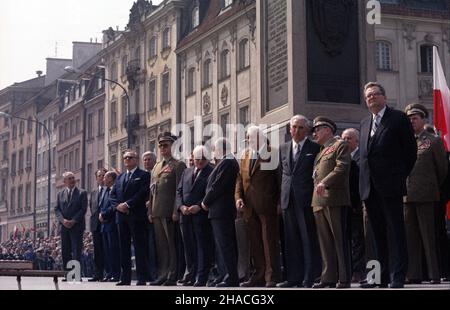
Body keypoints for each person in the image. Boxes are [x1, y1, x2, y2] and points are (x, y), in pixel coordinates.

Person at [359, 82, 417, 288]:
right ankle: (379, 276)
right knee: (376, 235)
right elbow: (364, 158)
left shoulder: (398, 118)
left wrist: (399, 176)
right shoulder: (365, 123)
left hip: (390, 185)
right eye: (368, 96)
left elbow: (410, 152)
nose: (371, 98)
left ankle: (398, 275)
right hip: (370, 188)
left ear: (384, 97)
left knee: (396, 232)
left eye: (375, 94)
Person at [403, 103, 448, 284]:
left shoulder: (434, 141)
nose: (412, 121)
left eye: (415, 118)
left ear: (423, 119)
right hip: (407, 195)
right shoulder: (405, 141)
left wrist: (430, 185)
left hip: (426, 194)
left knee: (429, 236)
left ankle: (433, 274)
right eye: (409, 118)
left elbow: (442, 169)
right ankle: (413, 274)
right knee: (410, 237)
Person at [277, 115, 321, 288]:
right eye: (294, 127)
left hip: (306, 199)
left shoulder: (315, 148)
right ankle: (293, 277)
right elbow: (281, 174)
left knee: (308, 238)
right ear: (289, 129)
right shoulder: (283, 148)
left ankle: (310, 277)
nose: (296, 130)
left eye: (300, 127)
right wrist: (280, 201)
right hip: (288, 199)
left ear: (307, 130)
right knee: (291, 239)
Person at [235, 126, 281, 287]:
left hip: (267, 205)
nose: (247, 141)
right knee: (255, 242)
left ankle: (271, 276)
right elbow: (240, 180)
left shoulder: (272, 152)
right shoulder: (245, 155)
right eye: (247, 138)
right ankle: (259, 275)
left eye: (250, 138)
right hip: (249, 207)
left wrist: (280, 202)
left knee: (269, 241)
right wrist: (238, 198)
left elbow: (279, 179)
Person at [311, 117, 352, 288]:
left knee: (339, 239)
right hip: (319, 201)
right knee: (325, 242)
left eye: (318, 129)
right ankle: (328, 277)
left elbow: (342, 167)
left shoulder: (340, 145)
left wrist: (325, 182)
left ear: (328, 130)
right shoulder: (321, 151)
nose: (315, 133)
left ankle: (343, 277)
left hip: (335, 199)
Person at [202, 138, 240, 287]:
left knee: (226, 245)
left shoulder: (228, 162)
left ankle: (231, 276)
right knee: (220, 246)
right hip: (218, 210)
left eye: (215, 149)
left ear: (222, 149)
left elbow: (217, 186)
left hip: (222, 210)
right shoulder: (224, 162)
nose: (213, 152)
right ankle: (225, 274)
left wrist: (205, 201)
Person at [150, 132, 186, 286]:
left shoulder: (178, 165)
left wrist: (175, 210)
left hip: (169, 212)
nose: (162, 148)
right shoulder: (157, 166)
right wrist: (149, 211)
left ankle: (172, 274)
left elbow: (180, 190)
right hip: (157, 211)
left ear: (173, 146)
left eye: (166, 145)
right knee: (161, 245)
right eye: (160, 146)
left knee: (171, 244)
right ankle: (163, 273)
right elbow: (152, 190)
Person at [109, 149, 150, 286]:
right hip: (121, 217)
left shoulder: (143, 175)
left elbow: (142, 193)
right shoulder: (120, 178)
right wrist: (118, 206)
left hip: (136, 216)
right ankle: (125, 277)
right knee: (123, 247)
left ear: (136, 159)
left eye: (130, 157)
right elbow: (112, 195)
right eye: (125, 158)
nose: (127, 160)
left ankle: (142, 277)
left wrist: (128, 204)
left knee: (139, 247)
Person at [176, 145, 215, 286]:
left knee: (202, 248)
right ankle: (191, 275)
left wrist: (199, 206)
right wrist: (181, 206)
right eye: (197, 159)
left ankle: (201, 277)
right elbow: (179, 191)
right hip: (185, 216)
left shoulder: (211, 171)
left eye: (202, 159)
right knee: (189, 248)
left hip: (201, 216)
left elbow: (210, 193)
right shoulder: (186, 172)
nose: (199, 162)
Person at [341, 128, 366, 282]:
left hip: (357, 204)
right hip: (344, 204)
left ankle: (358, 271)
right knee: (346, 239)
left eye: (348, 138)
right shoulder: (341, 157)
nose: (344, 141)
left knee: (358, 240)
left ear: (357, 141)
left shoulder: (362, 157)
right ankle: (348, 270)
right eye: (343, 138)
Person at [54, 171, 87, 278]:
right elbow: (57, 209)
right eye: (70, 178)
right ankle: (68, 274)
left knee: (76, 251)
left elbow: (83, 209)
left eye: (73, 178)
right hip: (64, 227)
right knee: (65, 251)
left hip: (76, 226)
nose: (72, 180)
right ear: (64, 182)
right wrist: (63, 220)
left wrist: (73, 221)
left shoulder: (82, 193)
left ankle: (76, 275)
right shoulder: (60, 194)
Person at [99, 171, 121, 282]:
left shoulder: (116, 189)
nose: (103, 179)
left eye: (105, 177)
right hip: (104, 225)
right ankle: (109, 273)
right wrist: (100, 214)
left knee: (114, 251)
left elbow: (114, 205)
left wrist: (104, 214)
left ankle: (116, 274)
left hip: (112, 223)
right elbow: (102, 205)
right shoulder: (104, 191)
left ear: (111, 179)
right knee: (107, 251)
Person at [88, 168, 107, 282]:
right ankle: (98, 274)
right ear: (96, 178)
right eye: (99, 175)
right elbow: (92, 208)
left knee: (107, 250)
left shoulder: (110, 190)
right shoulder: (94, 192)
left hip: (107, 223)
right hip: (96, 225)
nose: (102, 177)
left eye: (104, 175)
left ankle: (108, 273)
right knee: (97, 251)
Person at [142, 151, 158, 282]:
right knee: (146, 245)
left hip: (155, 212)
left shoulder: (156, 173)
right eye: (145, 160)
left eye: (149, 160)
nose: (147, 162)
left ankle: (155, 273)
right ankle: (148, 272)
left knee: (155, 245)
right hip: (144, 214)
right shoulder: (143, 175)